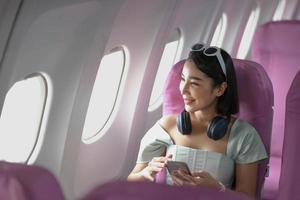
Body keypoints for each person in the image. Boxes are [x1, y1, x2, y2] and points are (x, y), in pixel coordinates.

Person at [127, 43, 267, 199]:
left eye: (194, 83)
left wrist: (218, 190)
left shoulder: (243, 135)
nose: (183, 89)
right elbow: (129, 184)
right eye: (182, 79)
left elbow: (248, 198)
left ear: (219, 89)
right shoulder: (166, 127)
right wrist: (146, 175)